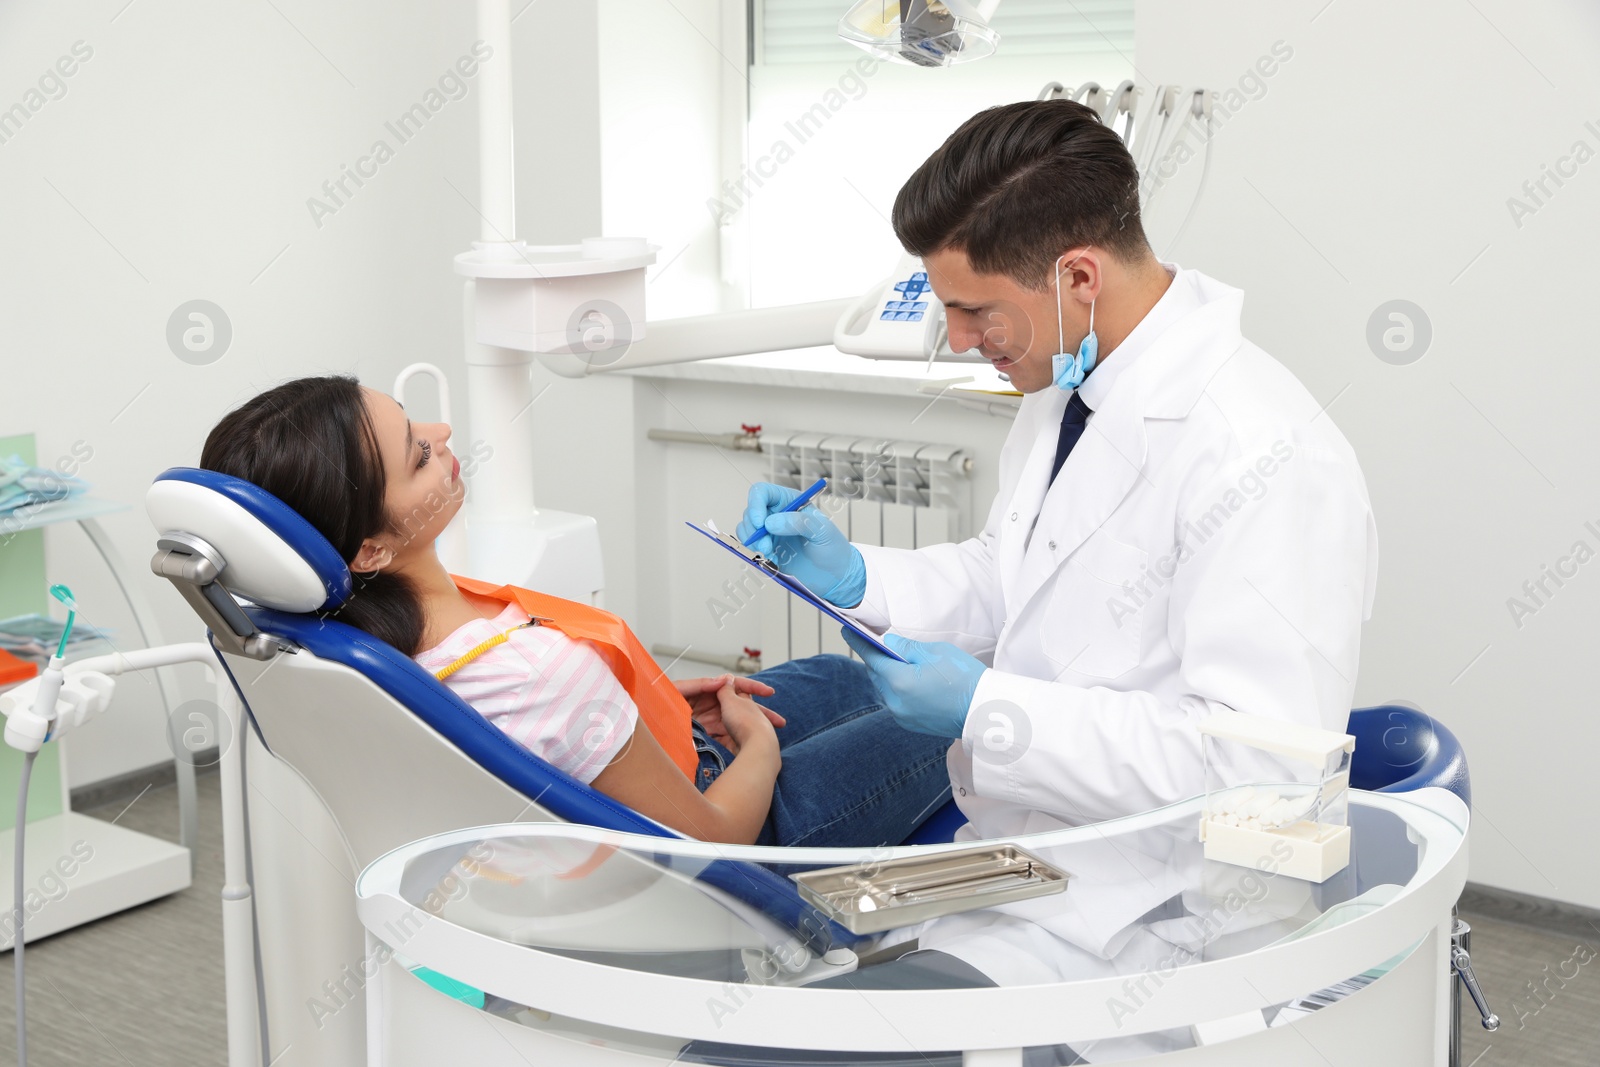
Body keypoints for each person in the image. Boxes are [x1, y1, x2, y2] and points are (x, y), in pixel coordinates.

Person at [736, 98, 1378, 998]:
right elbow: (1014, 579)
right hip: (1026, 863)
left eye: (975, 310)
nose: (956, 340)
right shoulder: (1067, 390)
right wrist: (855, 573)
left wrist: (987, 709)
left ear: (1077, 275)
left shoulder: (1263, 454)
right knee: (787, 996)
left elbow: (1258, 775)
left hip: (1162, 919)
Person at [199, 375, 952, 848]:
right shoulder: (532, 673)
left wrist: (634, 708)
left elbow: (545, 733)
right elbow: (713, 835)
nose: (444, 434)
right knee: (955, 722)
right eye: (417, 453)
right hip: (738, 832)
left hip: (655, 764)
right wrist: (758, 747)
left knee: (840, 674)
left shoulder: (340, 636)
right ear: (367, 550)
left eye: (416, 423)